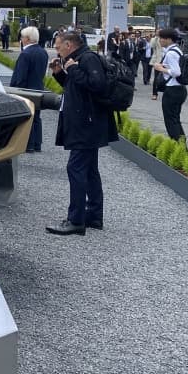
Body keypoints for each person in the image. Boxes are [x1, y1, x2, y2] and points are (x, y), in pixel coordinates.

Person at [46, 30, 116, 236]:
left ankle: (76, 220)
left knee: (75, 168)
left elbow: (97, 85)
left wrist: (73, 69)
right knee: (89, 170)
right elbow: (76, 89)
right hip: (86, 123)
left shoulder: (87, 58)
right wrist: (60, 73)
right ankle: (93, 216)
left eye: (58, 47)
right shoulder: (77, 60)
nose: (57, 51)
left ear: (69, 45)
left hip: (87, 125)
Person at [10, 25, 48, 152]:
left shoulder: (25, 54)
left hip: (25, 90)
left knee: (27, 117)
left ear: (27, 38)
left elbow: (21, 76)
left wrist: (15, 90)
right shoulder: (43, 52)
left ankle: (29, 144)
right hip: (38, 88)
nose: (21, 39)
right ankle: (37, 144)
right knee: (36, 117)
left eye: (22, 37)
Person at [152, 27, 188, 143]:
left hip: (173, 90)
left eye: (161, 38)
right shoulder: (177, 50)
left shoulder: (171, 53)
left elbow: (176, 72)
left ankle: (178, 146)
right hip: (179, 89)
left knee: (171, 121)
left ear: (168, 39)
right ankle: (181, 146)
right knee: (175, 119)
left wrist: (160, 68)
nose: (160, 40)